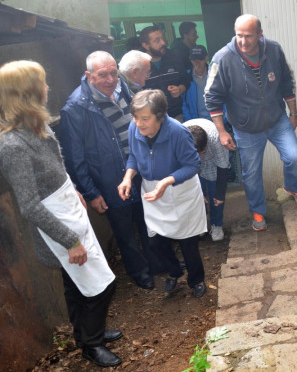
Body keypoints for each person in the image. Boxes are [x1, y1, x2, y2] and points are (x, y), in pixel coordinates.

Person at [0, 60, 122, 368]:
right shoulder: (12, 145)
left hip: (69, 209)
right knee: (101, 285)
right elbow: (29, 204)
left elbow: (56, 166)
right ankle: (91, 347)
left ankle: (86, 334)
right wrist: (69, 241)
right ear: (27, 93)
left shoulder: (38, 126)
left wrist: (73, 188)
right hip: (57, 227)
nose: (47, 88)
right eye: (41, 83)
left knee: (75, 283)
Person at [59, 51, 158, 291]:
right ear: (89, 76)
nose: (110, 79)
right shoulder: (75, 108)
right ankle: (140, 272)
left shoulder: (123, 86)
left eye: (113, 73)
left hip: (138, 169)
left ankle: (157, 263)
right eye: (102, 75)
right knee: (124, 230)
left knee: (148, 219)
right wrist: (91, 192)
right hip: (110, 178)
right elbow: (75, 158)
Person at [205, 14, 297, 232]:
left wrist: (294, 113)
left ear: (260, 35)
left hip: (276, 118)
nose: (243, 41)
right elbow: (212, 97)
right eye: (239, 35)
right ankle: (258, 211)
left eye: (248, 36)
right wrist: (222, 131)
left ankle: (292, 187)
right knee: (251, 174)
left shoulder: (273, 49)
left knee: (294, 157)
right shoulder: (222, 59)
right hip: (246, 127)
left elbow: (286, 82)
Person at [118, 90, 207, 298]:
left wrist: (167, 181)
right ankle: (175, 272)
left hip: (179, 188)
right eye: (135, 117)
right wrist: (127, 177)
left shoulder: (177, 132)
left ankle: (196, 279)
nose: (139, 123)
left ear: (160, 116)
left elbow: (193, 165)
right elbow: (134, 157)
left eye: (145, 119)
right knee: (156, 241)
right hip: (152, 190)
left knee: (188, 241)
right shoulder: (134, 128)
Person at [184, 118, 231, 241]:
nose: (199, 156)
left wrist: (220, 194)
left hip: (212, 162)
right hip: (189, 165)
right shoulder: (179, 137)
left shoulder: (216, 138)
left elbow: (223, 166)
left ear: (205, 146)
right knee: (195, 197)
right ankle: (200, 225)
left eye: (200, 152)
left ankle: (216, 225)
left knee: (215, 194)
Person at [140, 25, 191, 121]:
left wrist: (179, 89)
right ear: (146, 45)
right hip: (151, 119)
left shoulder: (174, 58)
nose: (163, 43)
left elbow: (186, 80)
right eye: (157, 40)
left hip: (176, 116)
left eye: (163, 38)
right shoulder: (140, 64)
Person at [182, 45, 212, 121]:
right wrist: (190, 120)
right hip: (196, 123)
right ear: (190, 59)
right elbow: (183, 103)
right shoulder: (185, 77)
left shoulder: (216, 75)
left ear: (206, 58)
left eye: (200, 59)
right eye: (194, 59)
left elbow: (226, 99)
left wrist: (223, 119)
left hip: (217, 122)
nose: (197, 62)